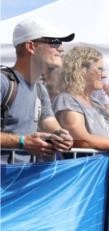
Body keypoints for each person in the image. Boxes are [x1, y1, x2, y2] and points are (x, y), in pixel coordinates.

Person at [1, 18, 75, 163]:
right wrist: (23, 141)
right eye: (55, 42)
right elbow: (25, 140)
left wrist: (61, 136)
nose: (61, 48)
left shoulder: (40, 89)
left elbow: (48, 120)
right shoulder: (3, 82)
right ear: (31, 47)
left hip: (25, 175)